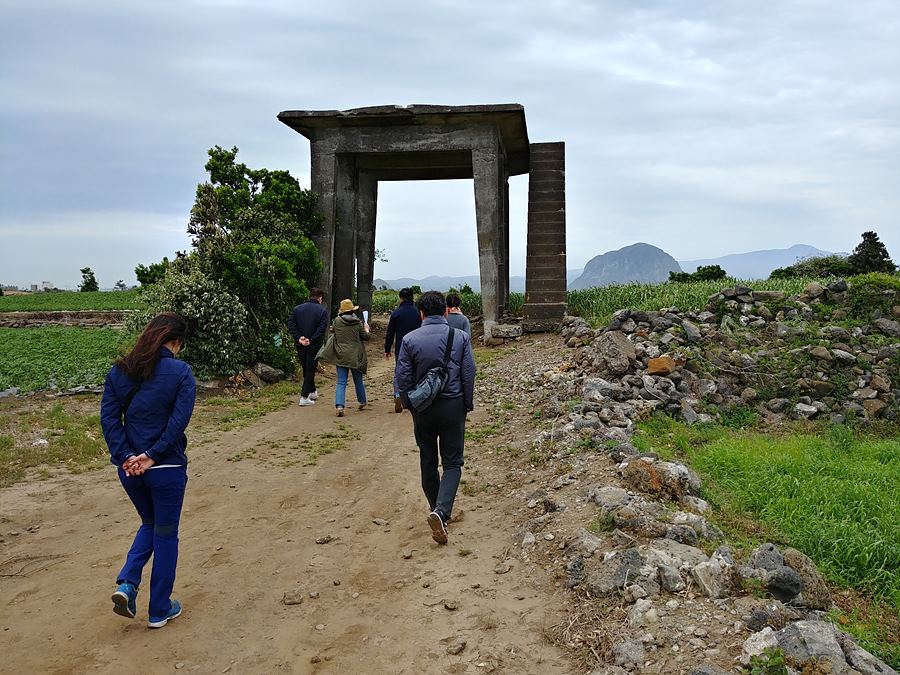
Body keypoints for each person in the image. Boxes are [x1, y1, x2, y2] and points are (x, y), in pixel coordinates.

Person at [99, 312, 196, 629]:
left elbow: (110, 421)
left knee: (149, 522)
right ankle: (159, 609)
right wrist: (152, 455)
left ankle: (127, 583)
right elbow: (177, 423)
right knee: (166, 534)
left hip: (130, 471)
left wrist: (127, 455)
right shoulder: (181, 373)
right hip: (165, 467)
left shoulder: (120, 372)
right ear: (176, 342)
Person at [395, 291, 476, 545]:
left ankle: (436, 509)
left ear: (421, 313)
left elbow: (402, 377)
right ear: (445, 312)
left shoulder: (409, 339)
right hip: (453, 406)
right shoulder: (460, 337)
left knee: (427, 460)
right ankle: (441, 512)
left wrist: (410, 405)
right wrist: (467, 403)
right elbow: (468, 372)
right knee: (452, 463)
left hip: (423, 410)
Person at [317, 298, 370, 417]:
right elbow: (366, 337)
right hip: (355, 355)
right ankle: (362, 401)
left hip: (341, 355)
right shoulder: (358, 323)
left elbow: (333, 331)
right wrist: (367, 329)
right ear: (352, 310)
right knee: (358, 381)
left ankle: (339, 406)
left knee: (341, 382)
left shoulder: (337, 321)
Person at [287, 287, 329, 406]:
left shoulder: (297, 309)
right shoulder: (322, 311)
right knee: (310, 369)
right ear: (320, 298)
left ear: (309, 296)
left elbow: (291, 325)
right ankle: (304, 397)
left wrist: (299, 337)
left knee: (306, 367)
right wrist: (311, 339)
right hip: (314, 344)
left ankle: (312, 391)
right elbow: (321, 329)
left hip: (300, 343)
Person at [384, 287, 422, 413]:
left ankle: (397, 394)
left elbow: (390, 333)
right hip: (417, 347)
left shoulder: (396, 313)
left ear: (400, 298)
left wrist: (387, 348)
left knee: (398, 372)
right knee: (416, 372)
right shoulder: (418, 313)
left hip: (401, 347)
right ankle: (415, 399)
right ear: (413, 298)